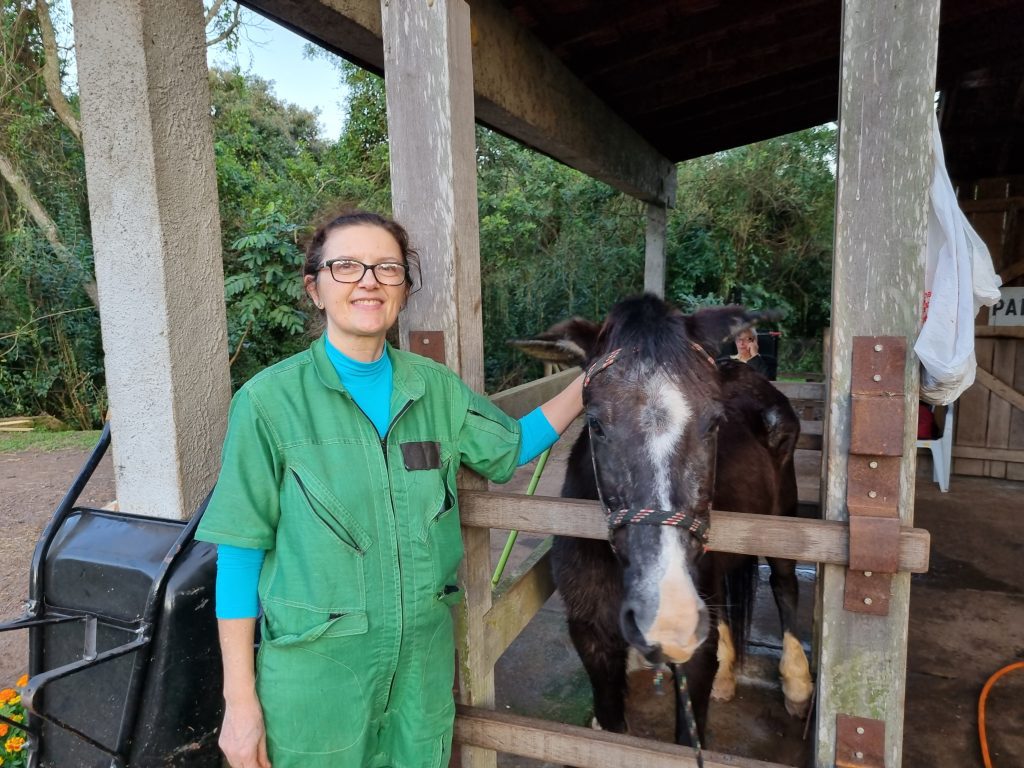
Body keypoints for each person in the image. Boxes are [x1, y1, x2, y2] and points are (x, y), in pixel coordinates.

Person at [195, 210, 584, 768]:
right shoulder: (267, 403)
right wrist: (239, 702)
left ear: (403, 288)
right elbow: (238, 554)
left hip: (421, 671)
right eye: (347, 266)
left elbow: (510, 445)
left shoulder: (436, 390)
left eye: (387, 268)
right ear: (316, 288)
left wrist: (588, 385)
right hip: (316, 674)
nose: (368, 281)